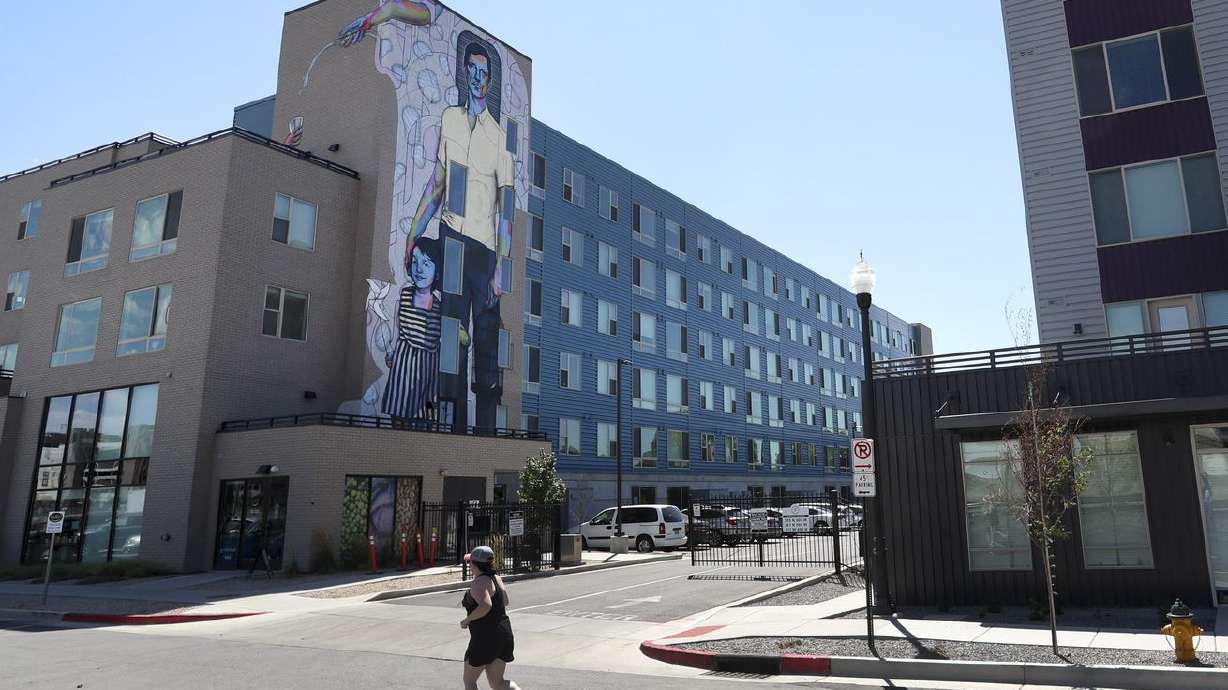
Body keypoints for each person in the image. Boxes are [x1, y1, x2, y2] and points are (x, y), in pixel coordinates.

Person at [404, 39, 514, 432]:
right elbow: (437, 184)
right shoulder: (449, 119)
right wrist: (414, 233)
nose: (479, 78)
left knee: (485, 343)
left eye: (485, 73)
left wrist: (502, 268)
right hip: (451, 240)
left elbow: (507, 212)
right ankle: (451, 432)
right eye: (473, 70)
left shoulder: (501, 137)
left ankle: (484, 436)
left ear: (491, 81)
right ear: (464, 72)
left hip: (485, 251)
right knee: (452, 338)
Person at [460, 546, 519, 690]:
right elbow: (505, 601)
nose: (469, 565)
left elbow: (486, 605)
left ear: (475, 564)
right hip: (503, 634)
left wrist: (467, 620)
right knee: (497, 683)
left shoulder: (479, 583)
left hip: (485, 638)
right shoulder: (497, 578)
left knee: (469, 681)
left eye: (470, 562)